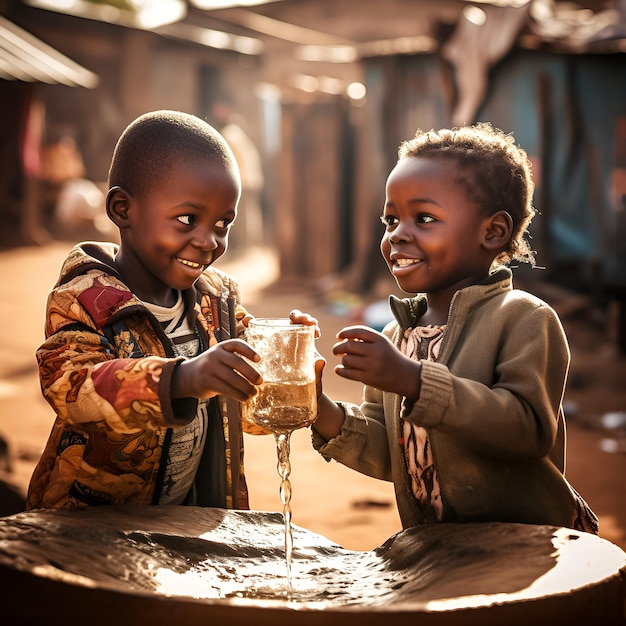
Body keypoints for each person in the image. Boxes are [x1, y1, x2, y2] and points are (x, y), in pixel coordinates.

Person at [309, 122, 599, 533]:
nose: (398, 236)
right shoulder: (398, 337)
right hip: (442, 552)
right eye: (391, 221)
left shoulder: (524, 319)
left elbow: (527, 431)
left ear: (493, 232)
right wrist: (319, 408)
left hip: (523, 548)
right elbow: (391, 452)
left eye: (423, 218)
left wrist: (413, 380)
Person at [26, 110, 284, 511]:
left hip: (189, 520)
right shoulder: (84, 299)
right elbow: (72, 389)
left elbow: (249, 412)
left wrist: (286, 363)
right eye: (187, 219)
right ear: (122, 210)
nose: (208, 241)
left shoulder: (218, 302)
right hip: (91, 531)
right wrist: (183, 378)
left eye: (222, 224)